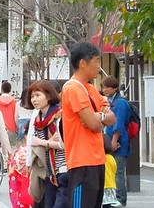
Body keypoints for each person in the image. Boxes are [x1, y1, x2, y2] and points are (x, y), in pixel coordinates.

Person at [61, 41, 116, 208]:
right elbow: (94, 123)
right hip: (81, 161)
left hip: (97, 159)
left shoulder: (91, 88)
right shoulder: (73, 88)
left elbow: (112, 118)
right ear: (83, 63)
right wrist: (99, 118)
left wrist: (96, 117)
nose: (99, 66)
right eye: (97, 61)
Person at [28, 79, 67, 208]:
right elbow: (34, 143)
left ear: (49, 96)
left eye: (38, 95)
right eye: (32, 96)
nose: (34, 99)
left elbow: (64, 145)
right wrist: (48, 142)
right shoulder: (38, 120)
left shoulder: (60, 116)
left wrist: (43, 142)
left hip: (63, 169)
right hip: (48, 172)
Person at [102, 76, 131, 207]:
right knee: (112, 171)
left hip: (119, 142)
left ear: (115, 87)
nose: (104, 89)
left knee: (118, 171)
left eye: (107, 87)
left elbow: (118, 124)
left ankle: (120, 200)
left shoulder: (120, 103)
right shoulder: (110, 102)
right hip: (109, 142)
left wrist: (114, 141)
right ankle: (114, 198)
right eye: (103, 87)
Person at [0, 81, 18, 149]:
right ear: (10, 90)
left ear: (1, 89)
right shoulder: (14, 102)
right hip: (11, 128)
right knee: (11, 149)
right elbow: (16, 116)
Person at [102, 133, 122, 207]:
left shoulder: (100, 158)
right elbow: (114, 169)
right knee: (108, 204)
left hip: (103, 185)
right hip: (111, 185)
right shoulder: (111, 158)